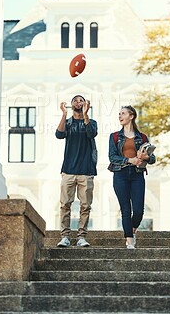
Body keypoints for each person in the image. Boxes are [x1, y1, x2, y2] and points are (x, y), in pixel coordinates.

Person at [108, 105, 156, 249]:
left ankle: (131, 230)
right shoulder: (115, 136)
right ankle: (129, 241)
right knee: (125, 209)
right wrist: (130, 160)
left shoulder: (142, 137)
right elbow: (112, 157)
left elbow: (152, 159)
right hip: (120, 174)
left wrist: (146, 156)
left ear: (131, 116)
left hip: (137, 175)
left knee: (139, 210)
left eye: (123, 113)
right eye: (119, 114)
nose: (120, 116)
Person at [55, 95, 98, 247]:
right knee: (65, 204)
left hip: (86, 170)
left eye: (81, 100)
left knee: (85, 205)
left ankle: (81, 237)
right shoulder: (68, 123)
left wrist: (85, 114)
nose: (78, 102)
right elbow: (59, 134)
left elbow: (91, 133)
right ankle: (65, 236)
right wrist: (63, 114)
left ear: (86, 104)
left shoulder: (91, 122)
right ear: (71, 104)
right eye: (75, 100)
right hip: (68, 170)